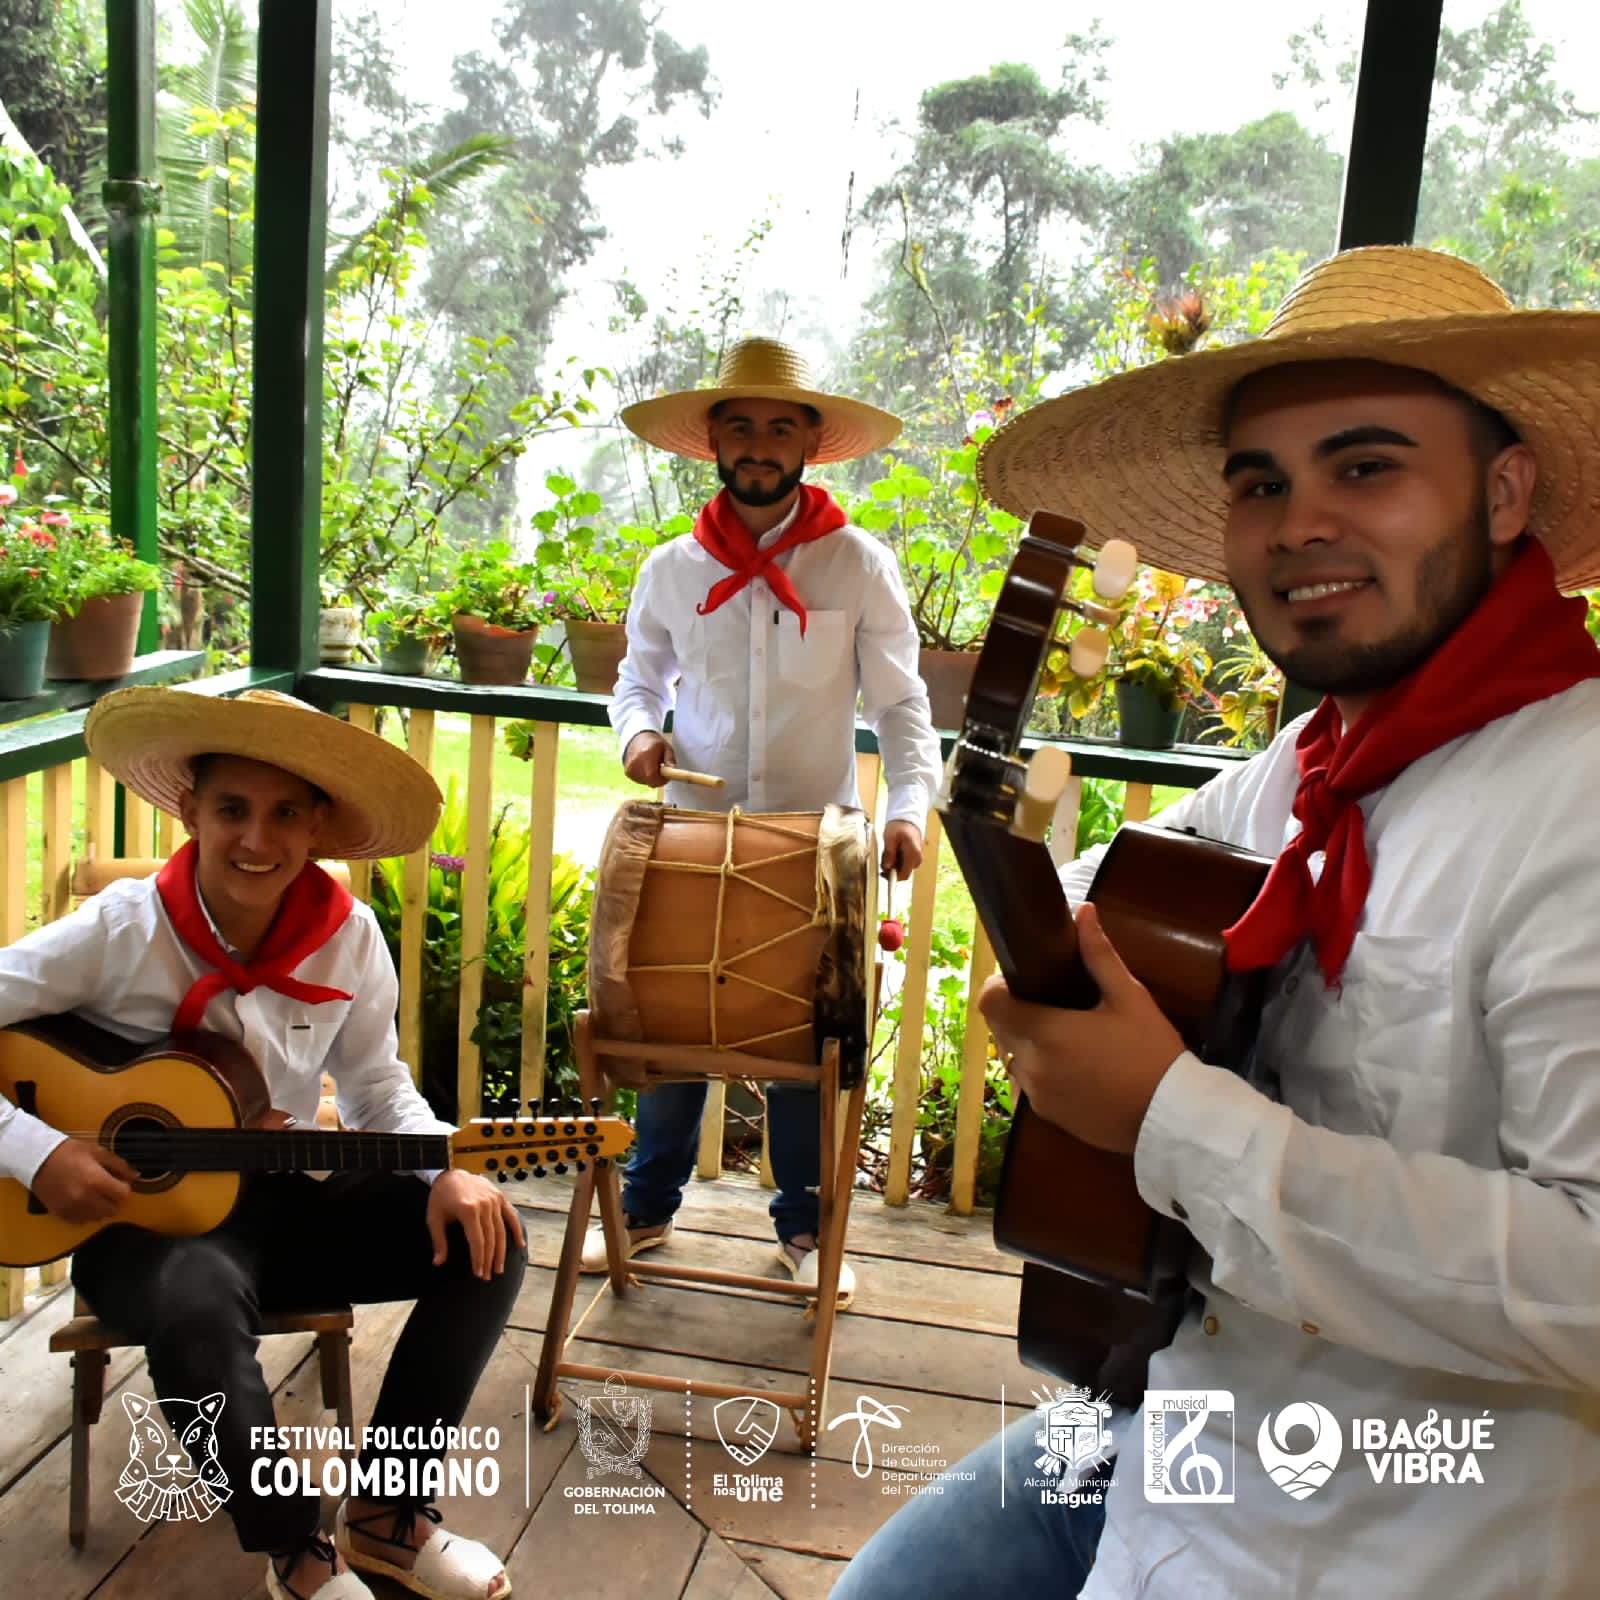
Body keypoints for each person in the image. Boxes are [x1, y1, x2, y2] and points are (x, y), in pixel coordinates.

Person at [834, 245, 1600, 1597]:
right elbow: (1135, 891)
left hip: (1403, 1531)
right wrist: (1053, 953)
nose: (1299, 522)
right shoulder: (1311, 763)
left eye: (1365, 467)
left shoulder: (1576, 799)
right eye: (1263, 482)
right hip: (1165, 1421)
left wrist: (1172, 1120)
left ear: (1503, 491)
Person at [0, 687, 525, 1600]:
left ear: (319, 827)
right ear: (186, 811)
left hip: (280, 1201)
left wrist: (446, 1167)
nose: (256, 839)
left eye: (286, 813)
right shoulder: (122, 930)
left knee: (491, 1241)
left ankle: (386, 1518)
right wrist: (38, 1152)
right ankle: (298, 1553)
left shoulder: (348, 937)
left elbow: (373, 1086)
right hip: (137, 1225)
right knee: (197, 1308)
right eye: (232, 810)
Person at [593, 336, 943, 1303]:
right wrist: (636, 739)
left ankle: (803, 1229)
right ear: (713, 441)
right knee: (673, 1020)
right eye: (740, 425)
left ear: (808, 444)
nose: (758, 443)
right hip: (695, 837)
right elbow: (636, 681)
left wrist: (908, 808)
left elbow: (902, 705)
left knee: (808, 1046)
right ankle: (647, 1209)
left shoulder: (859, 566)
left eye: (778, 426)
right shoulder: (670, 568)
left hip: (815, 846)